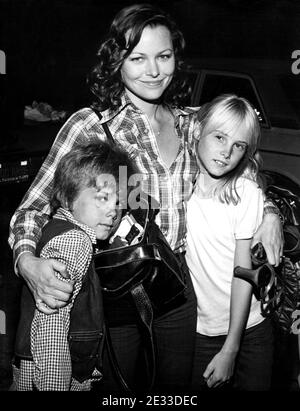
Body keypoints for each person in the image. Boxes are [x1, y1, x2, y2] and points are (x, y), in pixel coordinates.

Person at [9, 4, 282, 392]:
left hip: (179, 292)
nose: (153, 71)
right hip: (117, 292)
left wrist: (268, 213)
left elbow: (244, 165)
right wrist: (27, 263)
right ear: (116, 61)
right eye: (138, 58)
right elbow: (32, 209)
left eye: (164, 56)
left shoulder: (191, 123)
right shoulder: (92, 126)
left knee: (172, 394)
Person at [14, 141, 137, 390]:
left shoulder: (61, 230)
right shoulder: (74, 241)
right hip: (57, 378)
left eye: (118, 203)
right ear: (69, 197)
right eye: (103, 198)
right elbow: (52, 328)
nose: (113, 212)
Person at [186, 94, 274, 391]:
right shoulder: (179, 186)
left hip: (249, 328)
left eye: (238, 145)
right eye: (220, 137)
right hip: (200, 330)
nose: (226, 152)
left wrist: (232, 347)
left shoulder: (244, 192)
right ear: (198, 131)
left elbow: (242, 272)